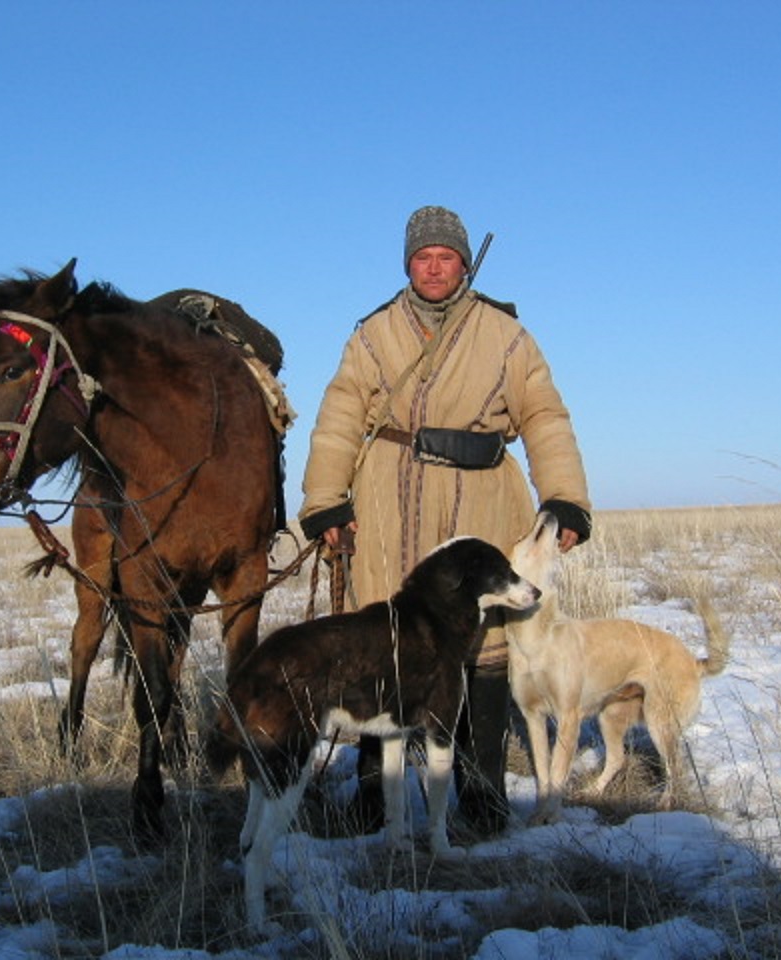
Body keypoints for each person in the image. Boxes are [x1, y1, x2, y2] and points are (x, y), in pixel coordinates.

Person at [298, 205, 592, 836]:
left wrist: (565, 497)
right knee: (386, 640)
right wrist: (325, 500)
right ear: (409, 265)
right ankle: (375, 797)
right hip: (386, 500)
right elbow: (341, 415)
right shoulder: (374, 334)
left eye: (445, 257)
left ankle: (481, 794)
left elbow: (543, 415)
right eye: (422, 258)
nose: (434, 268)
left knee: (482, 649)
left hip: (481, 498)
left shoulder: (506, 336)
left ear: (463, 262)